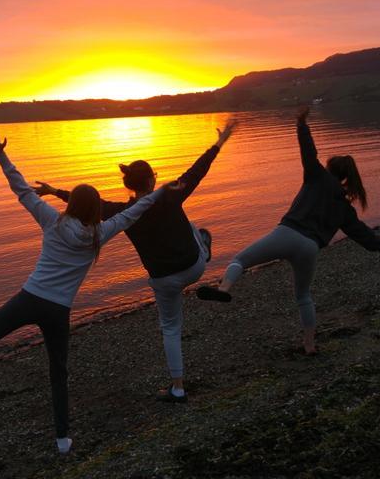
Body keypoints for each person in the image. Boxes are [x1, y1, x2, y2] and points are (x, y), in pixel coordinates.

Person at [0, 135, 169, 453]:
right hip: (58, 311)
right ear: (95, 210)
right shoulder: (99, 233)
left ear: (71, 204)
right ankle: (62, 439)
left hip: (29, 298)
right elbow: (133, 212)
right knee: (58, 372)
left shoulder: (53, 220)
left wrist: (1, 156)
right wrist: (159, 192)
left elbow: (21, 190)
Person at [35, 120, 236, 402]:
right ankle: (205, 247)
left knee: (170, 328)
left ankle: (178, 389)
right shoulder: (168, 196)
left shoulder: (123, 213)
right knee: (195, 229)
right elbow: (197, 170)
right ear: (152, 181)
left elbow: (91, 205)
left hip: (164, 279)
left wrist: (54, 191)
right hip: (194, 266)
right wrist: (219, 142)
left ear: (131, 184)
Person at [197, 107, 380, 354]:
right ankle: (310, 345)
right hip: (310, 248)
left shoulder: (317, 176)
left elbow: (308, 152)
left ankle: (224, 289)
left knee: (240, 260)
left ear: (329, 169)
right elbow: (360, 232)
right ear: (346, 177)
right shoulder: (344, 207)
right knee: (303, 295)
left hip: (287, 234)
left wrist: (301, 123)